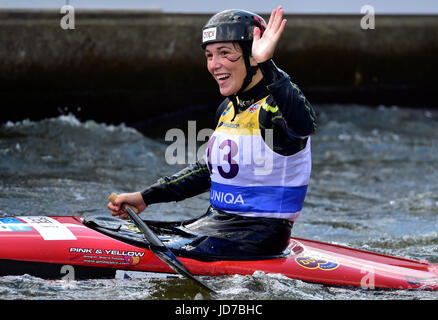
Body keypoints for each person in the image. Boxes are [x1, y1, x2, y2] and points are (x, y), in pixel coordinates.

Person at [108, 6, 317, 260]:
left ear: (253, 57)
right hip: (216, 225)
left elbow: (304, 124)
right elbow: (207, 171)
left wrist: (267, 63)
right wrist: (145, 197)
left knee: (138, 247)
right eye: (209, 55)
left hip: (256, 239)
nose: (214, 65)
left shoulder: (273, 108)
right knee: (112, 228)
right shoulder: (227, 109)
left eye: (224, 53)